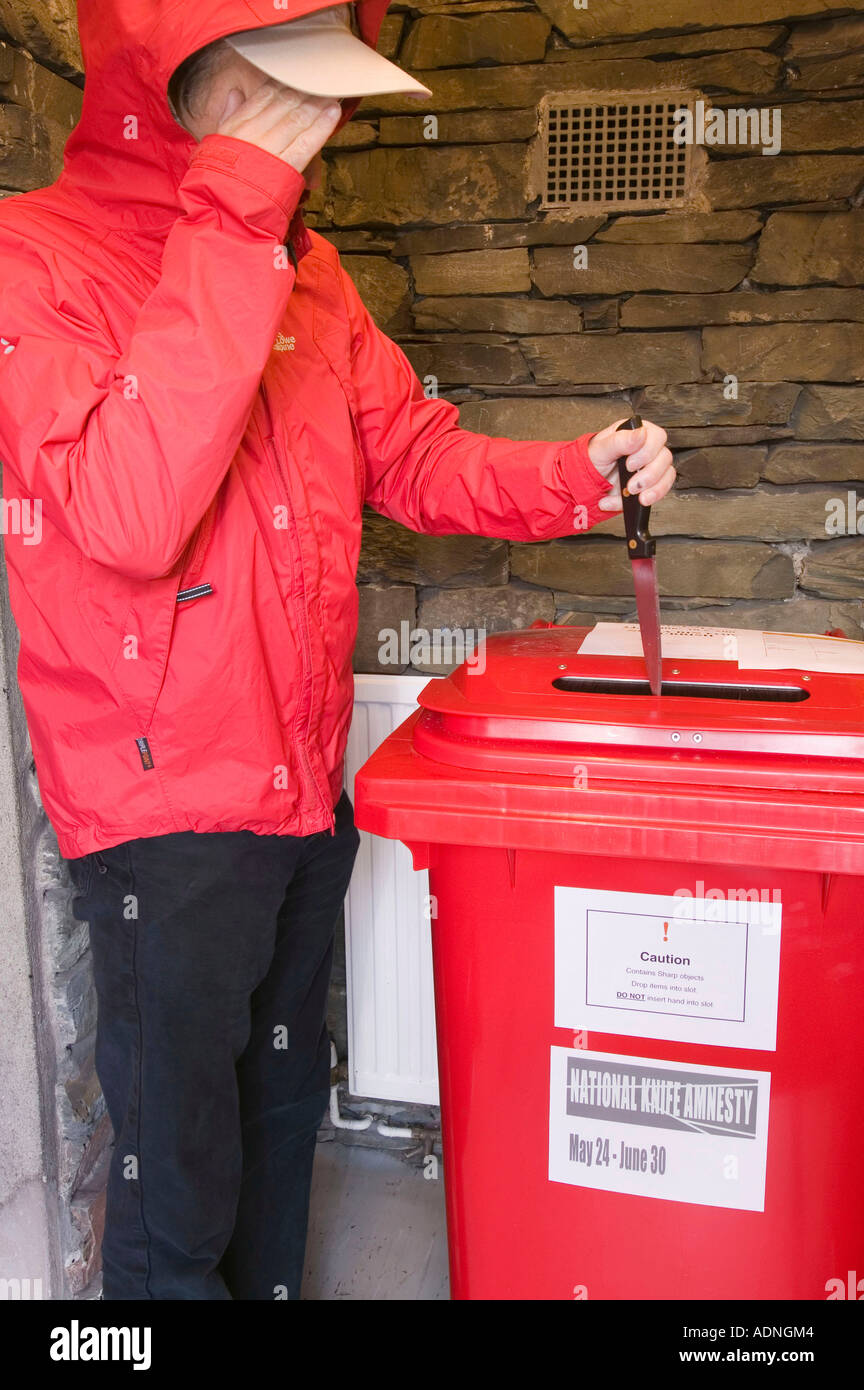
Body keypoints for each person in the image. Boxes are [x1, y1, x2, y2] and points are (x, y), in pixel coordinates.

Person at [0, 0, 676, 1300]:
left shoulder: (309, 269)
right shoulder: (33, 255)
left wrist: (577, 472)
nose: (307, 125)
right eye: (275, 84)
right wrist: (240, 206)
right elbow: (127, 515)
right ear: (174, 67)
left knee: (277, 1125)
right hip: (161, 829)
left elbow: (410, 452)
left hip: (301, 803)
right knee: (174, 1192)